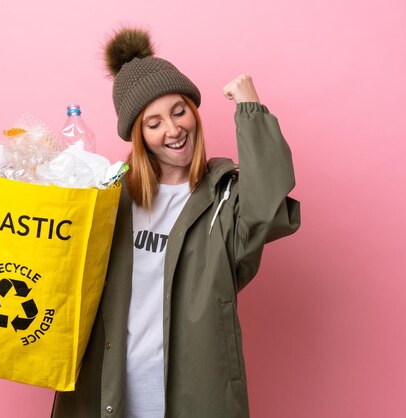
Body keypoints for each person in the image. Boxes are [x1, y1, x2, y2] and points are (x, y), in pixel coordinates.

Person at [51, 27, 301, 418]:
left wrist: (251, 109)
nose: (173, 129)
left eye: (179, 111)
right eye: (154, 123)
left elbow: (268, 203)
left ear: (193, 111)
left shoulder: (225, 198)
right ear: (140, 135)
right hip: (106, 392)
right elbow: (57, 269)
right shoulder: (108, 198)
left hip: (194, 397)